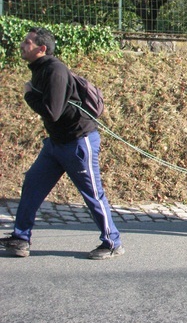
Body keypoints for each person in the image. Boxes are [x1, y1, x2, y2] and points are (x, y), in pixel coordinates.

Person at [0, 28, 123, 259]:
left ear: (41, 48)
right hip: (55, 144)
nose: (22, 45)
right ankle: (20, 238)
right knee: (32, 185)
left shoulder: (55, 70)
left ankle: (112, 242)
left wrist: (28, 95)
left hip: (78, 142)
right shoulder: (39, 69)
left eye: (27, 42)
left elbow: (52, 112)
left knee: (92, 194)